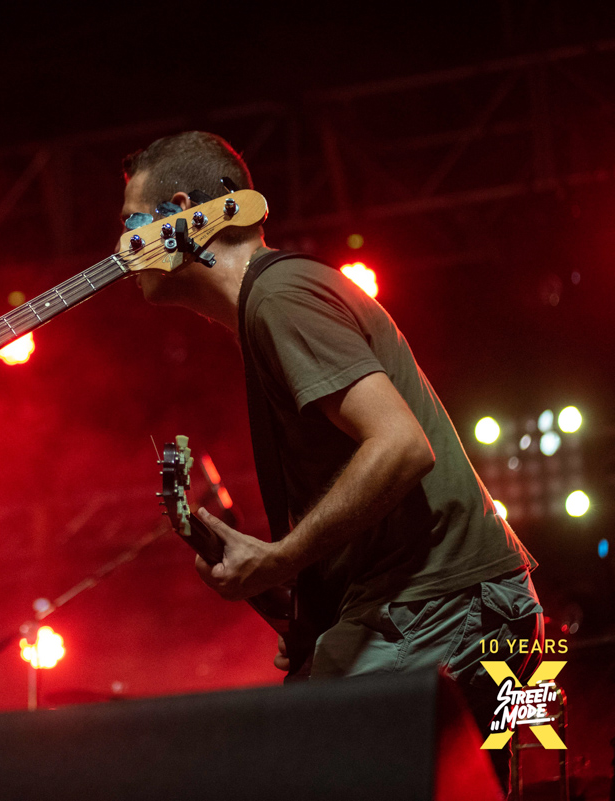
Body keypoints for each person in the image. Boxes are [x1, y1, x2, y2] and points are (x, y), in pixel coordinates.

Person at [120, 131, 543, 785]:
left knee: (295, 768)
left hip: (445, 603)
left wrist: (282, 557)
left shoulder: (279, 297)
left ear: (181, 213)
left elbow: (401, 445)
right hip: (443, 602)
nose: (120, 251)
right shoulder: (268, 307)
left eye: (131, 225)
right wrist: (299, 602)